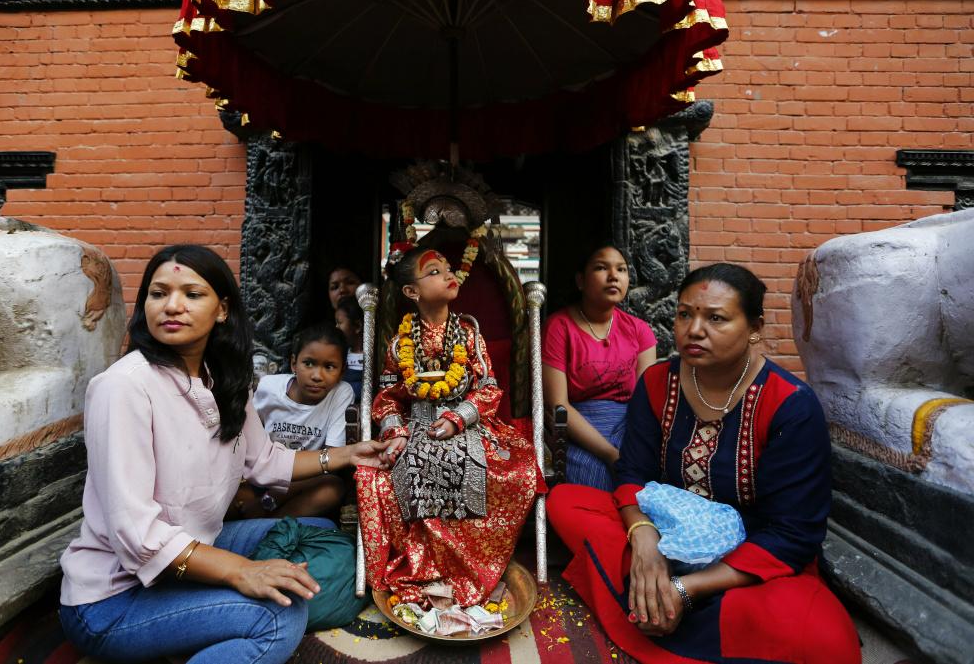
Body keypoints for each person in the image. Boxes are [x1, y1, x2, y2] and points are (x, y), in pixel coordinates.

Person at [58, 245, 389, 664]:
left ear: (221, 309)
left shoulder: (223, 381)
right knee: (278, 619)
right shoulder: (123, 387)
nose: (172, 306)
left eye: (192, 294)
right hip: (114, 598)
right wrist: (241, 572)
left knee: (321, 535)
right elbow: (138, 535)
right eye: (158, 294)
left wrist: (346, 456)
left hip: (196, 546)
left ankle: (205, 617)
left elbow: (267, 462)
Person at [547, 263, 860, 664]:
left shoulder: (790, 406)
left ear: (754, 328)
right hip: (663, 534)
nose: (693, 330)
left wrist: (685, 588)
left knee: (824, 641)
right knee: (566, 500)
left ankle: (653, 600)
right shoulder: (658, 382)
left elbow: (794, 534)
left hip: (743, 561)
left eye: (716, 318)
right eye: (684, 314)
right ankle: (649, 587)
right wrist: (645, 544)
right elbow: (631, 474)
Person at [355, 246, 538, 607]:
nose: (449, 274)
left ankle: (468, 572)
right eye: (435, 271)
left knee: (512, 473)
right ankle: (424, 570)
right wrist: (395, 432)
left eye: (449, 267)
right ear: (412, 292)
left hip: (470, 423)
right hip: (416, 424)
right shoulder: (400, 343)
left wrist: (459, 417)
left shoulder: (469, 335)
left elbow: (488, 388)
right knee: (381, 473)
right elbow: (388, 395)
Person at [542, 244, 657, 490]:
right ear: (581, 281)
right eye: (601, 268)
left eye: (621, 269)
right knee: (595, 480)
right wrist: (608, 453)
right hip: (579, 433)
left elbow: (646, 401)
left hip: (630, 427)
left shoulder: (640, 331)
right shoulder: (559, 327)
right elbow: (557, 405)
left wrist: (630, 448)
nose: (614, 276)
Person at [247, 323, 355, 518]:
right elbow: (247, 439)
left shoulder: (341, 393)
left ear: (342, 371)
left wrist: (278, 494)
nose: (316, 376)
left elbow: (332, 457)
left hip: (306, 478)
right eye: (309, 363)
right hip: (262, 473)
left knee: (332, 488)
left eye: (329, 367)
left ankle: (274, 522)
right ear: (293, 363)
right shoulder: (268, 387)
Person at [335, 296, 365, 401]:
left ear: (357, 326)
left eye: (339, 323)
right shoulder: (340, 355)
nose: (336, 328)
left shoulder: (374, 357)